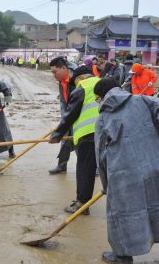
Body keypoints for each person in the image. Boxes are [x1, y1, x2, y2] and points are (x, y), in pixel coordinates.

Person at [94, 78, 159, 264]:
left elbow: (101, 154)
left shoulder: (103, 118)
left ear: (101, 97)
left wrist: (106, 185)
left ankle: (123, 255)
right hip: (154, 164)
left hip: (122, 173)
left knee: (122, 213)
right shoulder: (143, 100)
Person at [49, 65, 100, 215]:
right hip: (108, 133)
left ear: (80, 77)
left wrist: (57, 135)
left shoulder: (82, 87)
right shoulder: (104, 83)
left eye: (76, 81)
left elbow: (70, 114)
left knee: (85, 170)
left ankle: (81, 204)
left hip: (88, 135)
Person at [48, 57, 77, 174]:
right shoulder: (61, 81)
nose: (54, 75)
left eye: (55, 72)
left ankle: (93, 168)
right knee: (65, 140)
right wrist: (64, 117)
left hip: (80, 115)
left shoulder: (76, 78)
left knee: (81, 142)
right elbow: (63, 101)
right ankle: (62, 165)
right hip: (69, 114)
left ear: (64, 68)